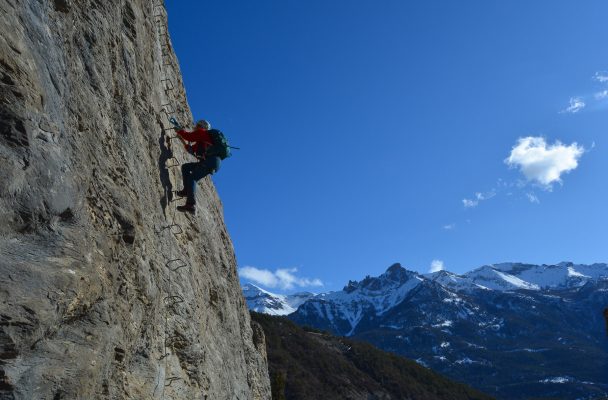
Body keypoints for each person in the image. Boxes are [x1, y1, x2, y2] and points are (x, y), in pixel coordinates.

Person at [174, 119, 221, 214]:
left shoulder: (202, 132)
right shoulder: (202, 140)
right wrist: (181, 139)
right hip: (211, 162)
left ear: (201, 126)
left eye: (197, 125)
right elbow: (191, 150)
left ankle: (191, 205)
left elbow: (189, 137)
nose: (195, 127)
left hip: (210, 161)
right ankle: (186, 191)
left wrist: (180, 130)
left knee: (192, 178)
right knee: (186, 167)